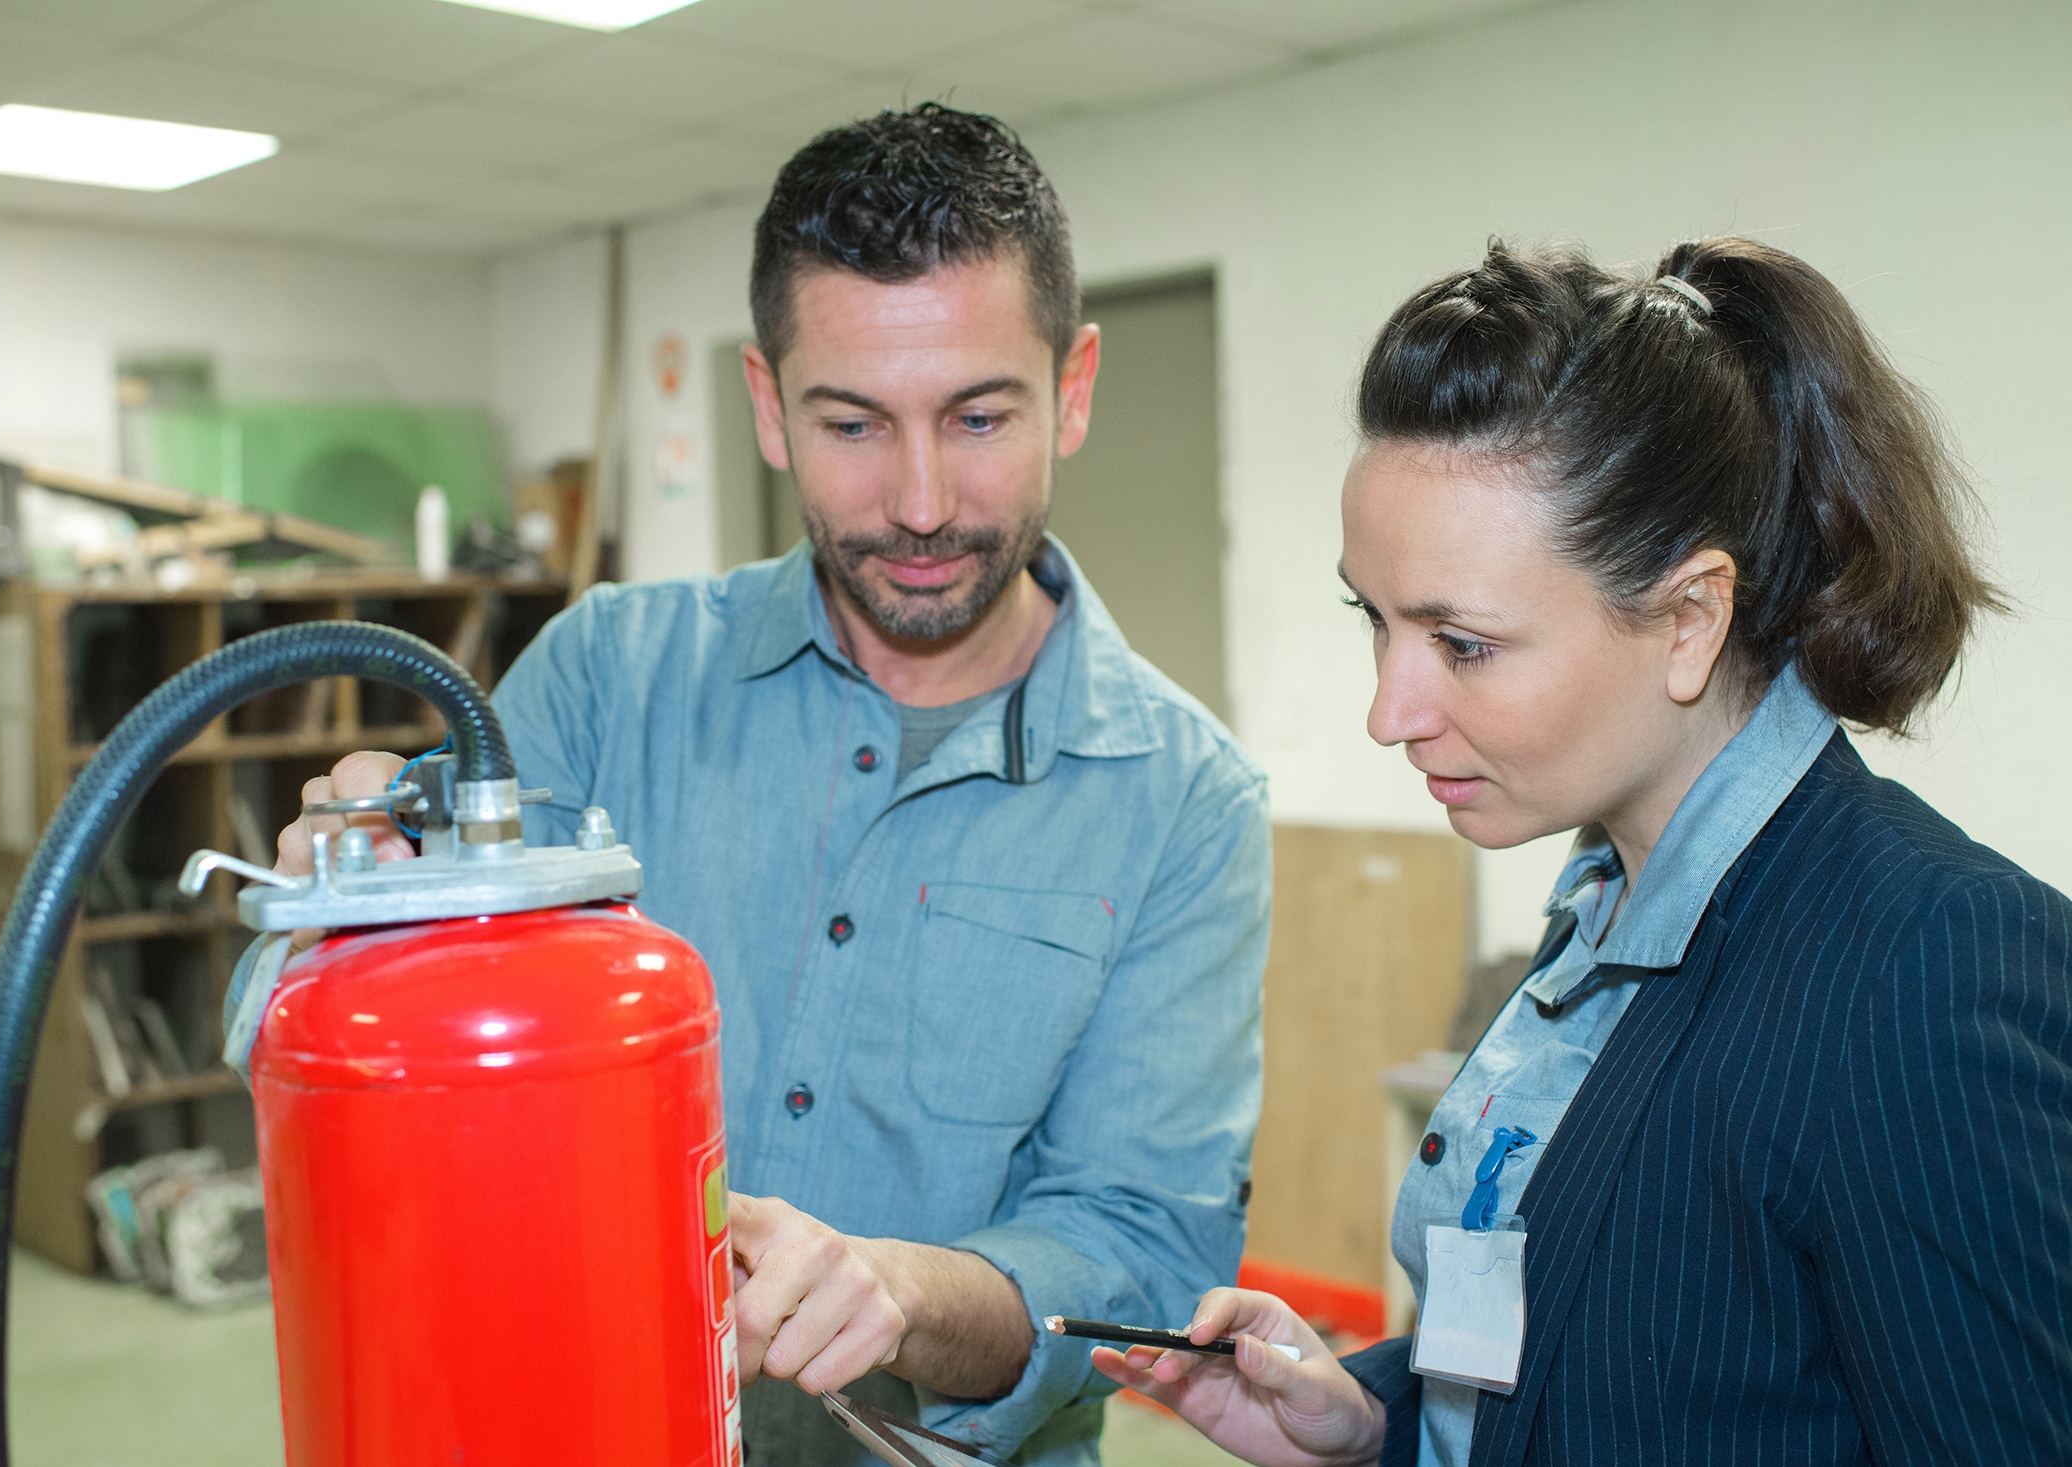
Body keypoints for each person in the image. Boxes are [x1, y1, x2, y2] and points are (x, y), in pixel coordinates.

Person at [259, 105, 1270, 1466]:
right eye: (852, 421)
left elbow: (1143, 1250)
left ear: (1074, 387)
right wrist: (356, 898)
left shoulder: (1185, 801)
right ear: (766, 405)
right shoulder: (611, 675)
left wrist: (903, 1293)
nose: (919, 501)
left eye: (978, 415)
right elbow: (362, 1049)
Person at [1092, 237, 2072, 1464]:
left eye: (1461, 643)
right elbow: (1609, 1366)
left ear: (1689, 620)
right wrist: (1376, 1424)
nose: (1388, 711)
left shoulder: (1924, 964)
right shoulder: (1606, 908)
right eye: (1376, 621)